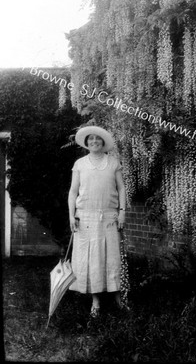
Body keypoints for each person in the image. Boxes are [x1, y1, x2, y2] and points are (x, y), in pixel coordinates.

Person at [68, 125, 126, 318]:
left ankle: (118, 297)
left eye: (98, 139)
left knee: (112, 257)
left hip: (109, 216)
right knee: (92, 258)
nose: (94, 142)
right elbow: (73, 191)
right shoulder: (80, 164)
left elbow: (121, 189)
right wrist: (71, 215)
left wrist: (122, 212)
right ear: (87, 143)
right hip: (85, 217)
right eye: (91, 139)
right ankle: (96, 300)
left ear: (103, 142)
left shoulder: (113, 162)